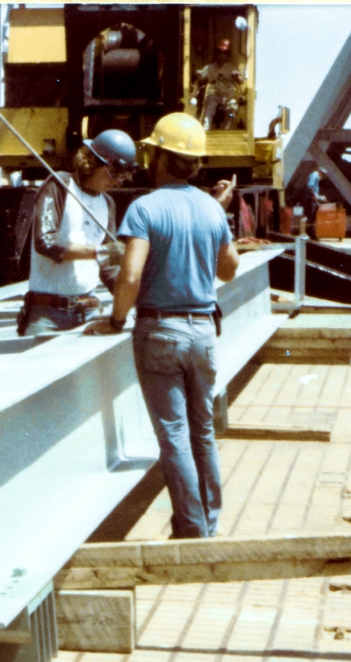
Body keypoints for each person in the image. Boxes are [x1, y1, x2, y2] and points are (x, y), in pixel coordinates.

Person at [86, 112, 239, 539]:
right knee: (202, 431)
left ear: (160, 158)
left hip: (159, 333)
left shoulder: (144, 208)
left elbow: (129, 276)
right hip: (204, 330)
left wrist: (116, 320)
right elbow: (228, 269)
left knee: (174, 436)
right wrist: (211, 227)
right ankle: (208, 521)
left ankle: (192, 530)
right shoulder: (212, 208)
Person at [18, 130, 137, 336]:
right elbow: (46, 242)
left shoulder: (107, 204)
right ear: (90, 162)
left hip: (88, 310)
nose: (117, 182)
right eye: (113, 173)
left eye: (123, 177)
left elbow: (108, 267)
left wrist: (130, 298)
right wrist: (99, 252)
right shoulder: (60, 185)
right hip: (47, 314)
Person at [193, 37, 245, 131]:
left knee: (232, 110)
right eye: (219, 52)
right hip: (213, 96)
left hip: (228, 97)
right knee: (208, 109)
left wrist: (237, 76)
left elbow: (241, 81)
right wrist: (195, 90)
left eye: (224, 53)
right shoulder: (209, 68)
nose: (221, 55)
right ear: (216, 53)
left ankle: (226, 130)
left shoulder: (231, 67)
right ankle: (206, 129)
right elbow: (199, 80)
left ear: (227, 55)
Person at [304, 166, 323, 241]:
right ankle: (309, 232)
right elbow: (310, 185)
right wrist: (314, 194)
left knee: (312, 216)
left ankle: (310, 232)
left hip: (312, 198)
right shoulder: (315, 175)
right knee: (311, 215)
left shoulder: (316, 176)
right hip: (311, 198)